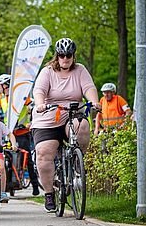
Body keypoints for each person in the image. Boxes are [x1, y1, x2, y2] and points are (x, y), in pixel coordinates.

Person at [31, 38, 100, 213]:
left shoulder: (80, 70)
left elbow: (89, 87)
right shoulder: (47, 72)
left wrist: (94, 101)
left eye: (68, 55)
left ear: (73, 56)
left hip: (72, 112)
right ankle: (48, 193)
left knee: (82, 125)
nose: (65, 59)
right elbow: (39, 90)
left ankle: (78, 159)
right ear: (57, 56)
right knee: (44, 153)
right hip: (48, 115)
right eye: (62, 55)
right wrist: (40, 103)